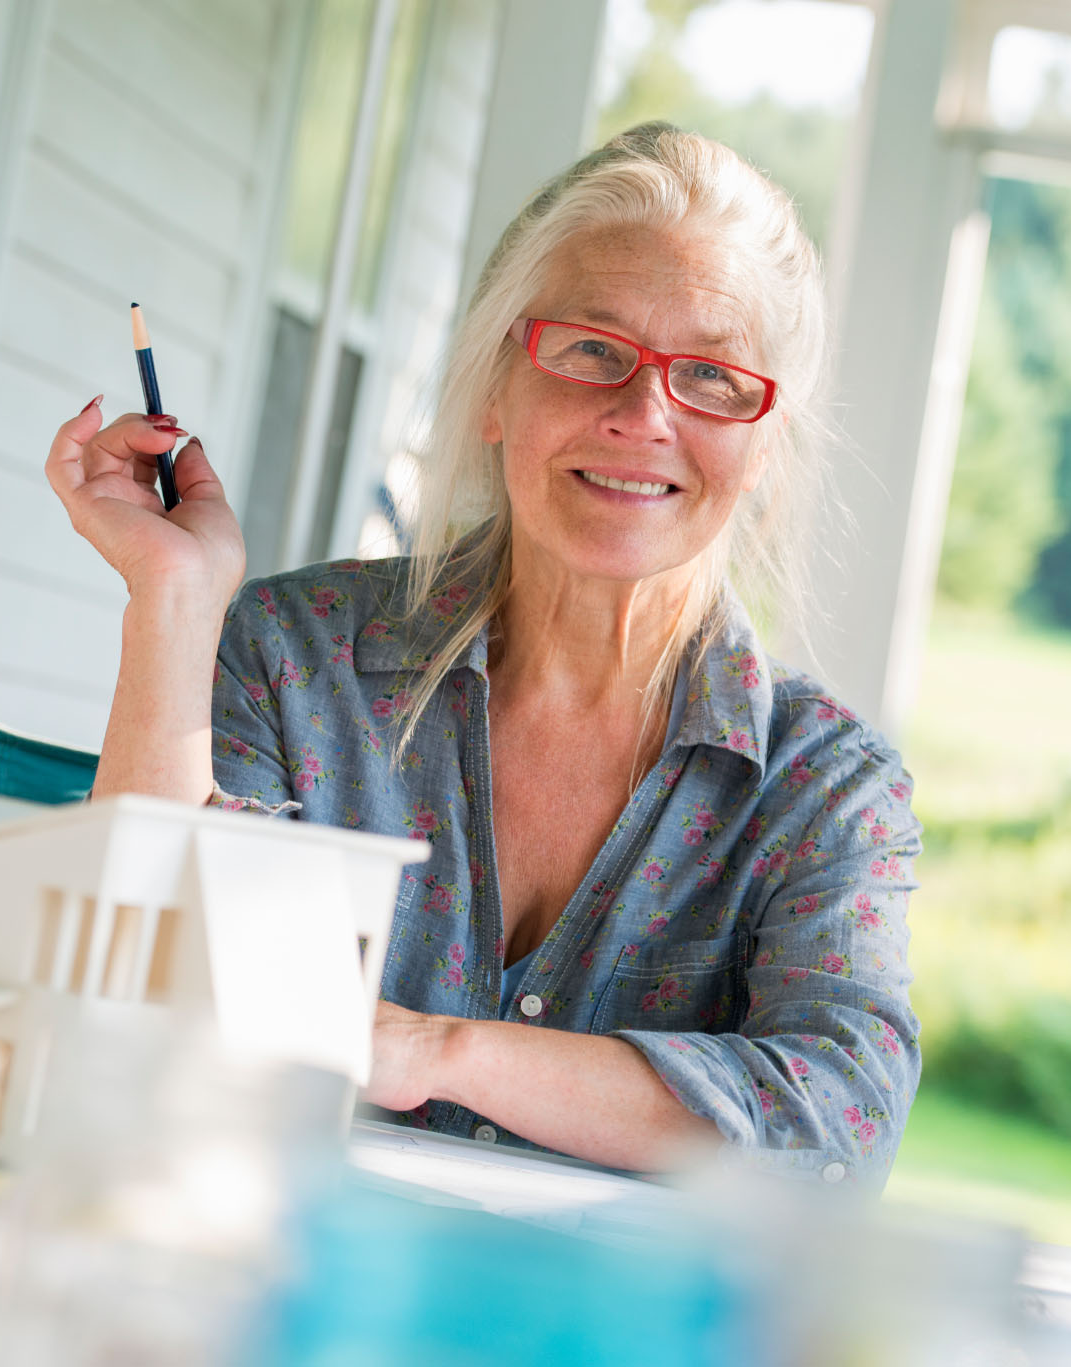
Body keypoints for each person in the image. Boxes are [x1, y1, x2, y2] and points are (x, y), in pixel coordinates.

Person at [45, 124, 920, 1185]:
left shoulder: (824, 787)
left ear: (761, 442)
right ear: (497, 385)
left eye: (711, 375)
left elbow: (836, 1126)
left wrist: (433, 1050)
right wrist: (172, 601)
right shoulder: (292, 658)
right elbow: (132, 997)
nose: (643, 414)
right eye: (592, 350)